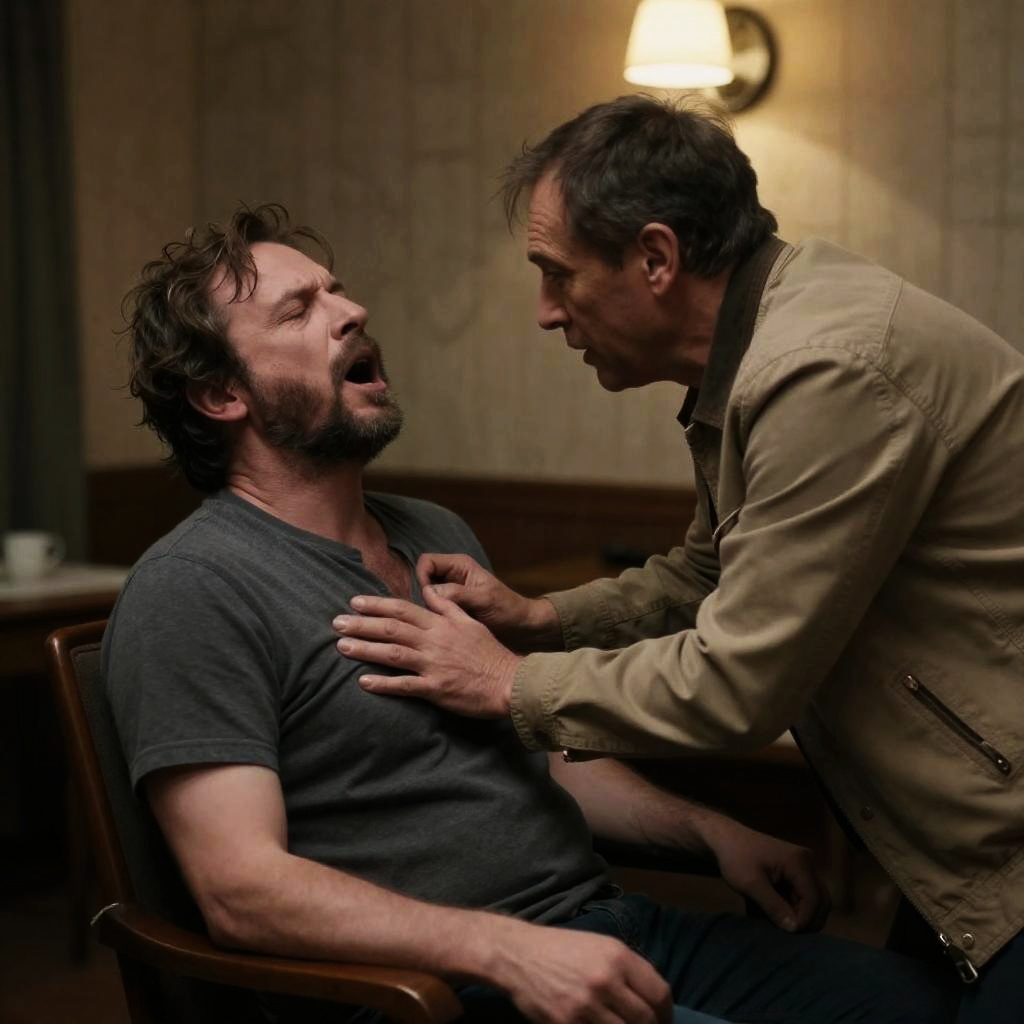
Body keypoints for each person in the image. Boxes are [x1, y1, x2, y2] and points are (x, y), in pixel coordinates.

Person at [103, 203, 955, 1024]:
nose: (351, 311)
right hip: (430, 992)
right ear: (222, 395)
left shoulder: (434, 534)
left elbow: (548, 764)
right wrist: (508, 952)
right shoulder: (195, 588)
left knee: (930, 1006)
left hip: (607, 927)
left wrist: (710, 833)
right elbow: (242, 891)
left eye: (337, 289)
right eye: (300, 309)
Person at [331, 95, 1024, 1023]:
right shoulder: (763, 342)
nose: (545, 313)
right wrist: (543, 619)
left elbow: (739, 684)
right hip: (961, 846)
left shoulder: (823, 369)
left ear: (656, 258)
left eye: (557, 275)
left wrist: (508, 683)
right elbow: (709, 576)